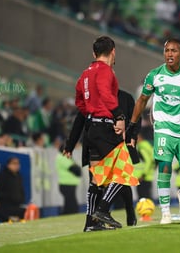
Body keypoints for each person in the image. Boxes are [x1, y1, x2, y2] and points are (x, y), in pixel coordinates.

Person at [126, 38, 180, 224]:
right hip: (163, 128)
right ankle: (165, 212)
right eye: (167, 51)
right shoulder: (155, 75)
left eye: (174, 51)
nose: (170, 54)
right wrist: (132, 124)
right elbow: (142, 100)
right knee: (164, 166)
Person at [72, 36, 138, 229]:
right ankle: (102, 209)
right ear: (113, 51)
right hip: (105, 128)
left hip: (92, 128)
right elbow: (104, 92)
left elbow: (79, 101)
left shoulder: (85, 73)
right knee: (123, 172)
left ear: (94, 53)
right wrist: (118, 116)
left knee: (97, 178)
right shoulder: (105, 70)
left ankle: (90, 223)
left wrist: (91, 115)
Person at [64, 89, 140, 231]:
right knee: (118, 177)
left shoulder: (124, 97)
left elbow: (136, 116)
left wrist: (132, 136)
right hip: (107, 142)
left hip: (111, 141)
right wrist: (70, 144)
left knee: (106, 180)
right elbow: (80, 120)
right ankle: (100, 214)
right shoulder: (93, 98)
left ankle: (94, 221)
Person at [55, 144, 81, 215]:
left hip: (68, 183)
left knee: (69, 202)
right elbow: (76, 170)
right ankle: (67, 215)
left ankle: (65, 214)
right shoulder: (62, 157)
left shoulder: (64, 157)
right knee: (71, 203)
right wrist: (78, 168)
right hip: (66, 183)